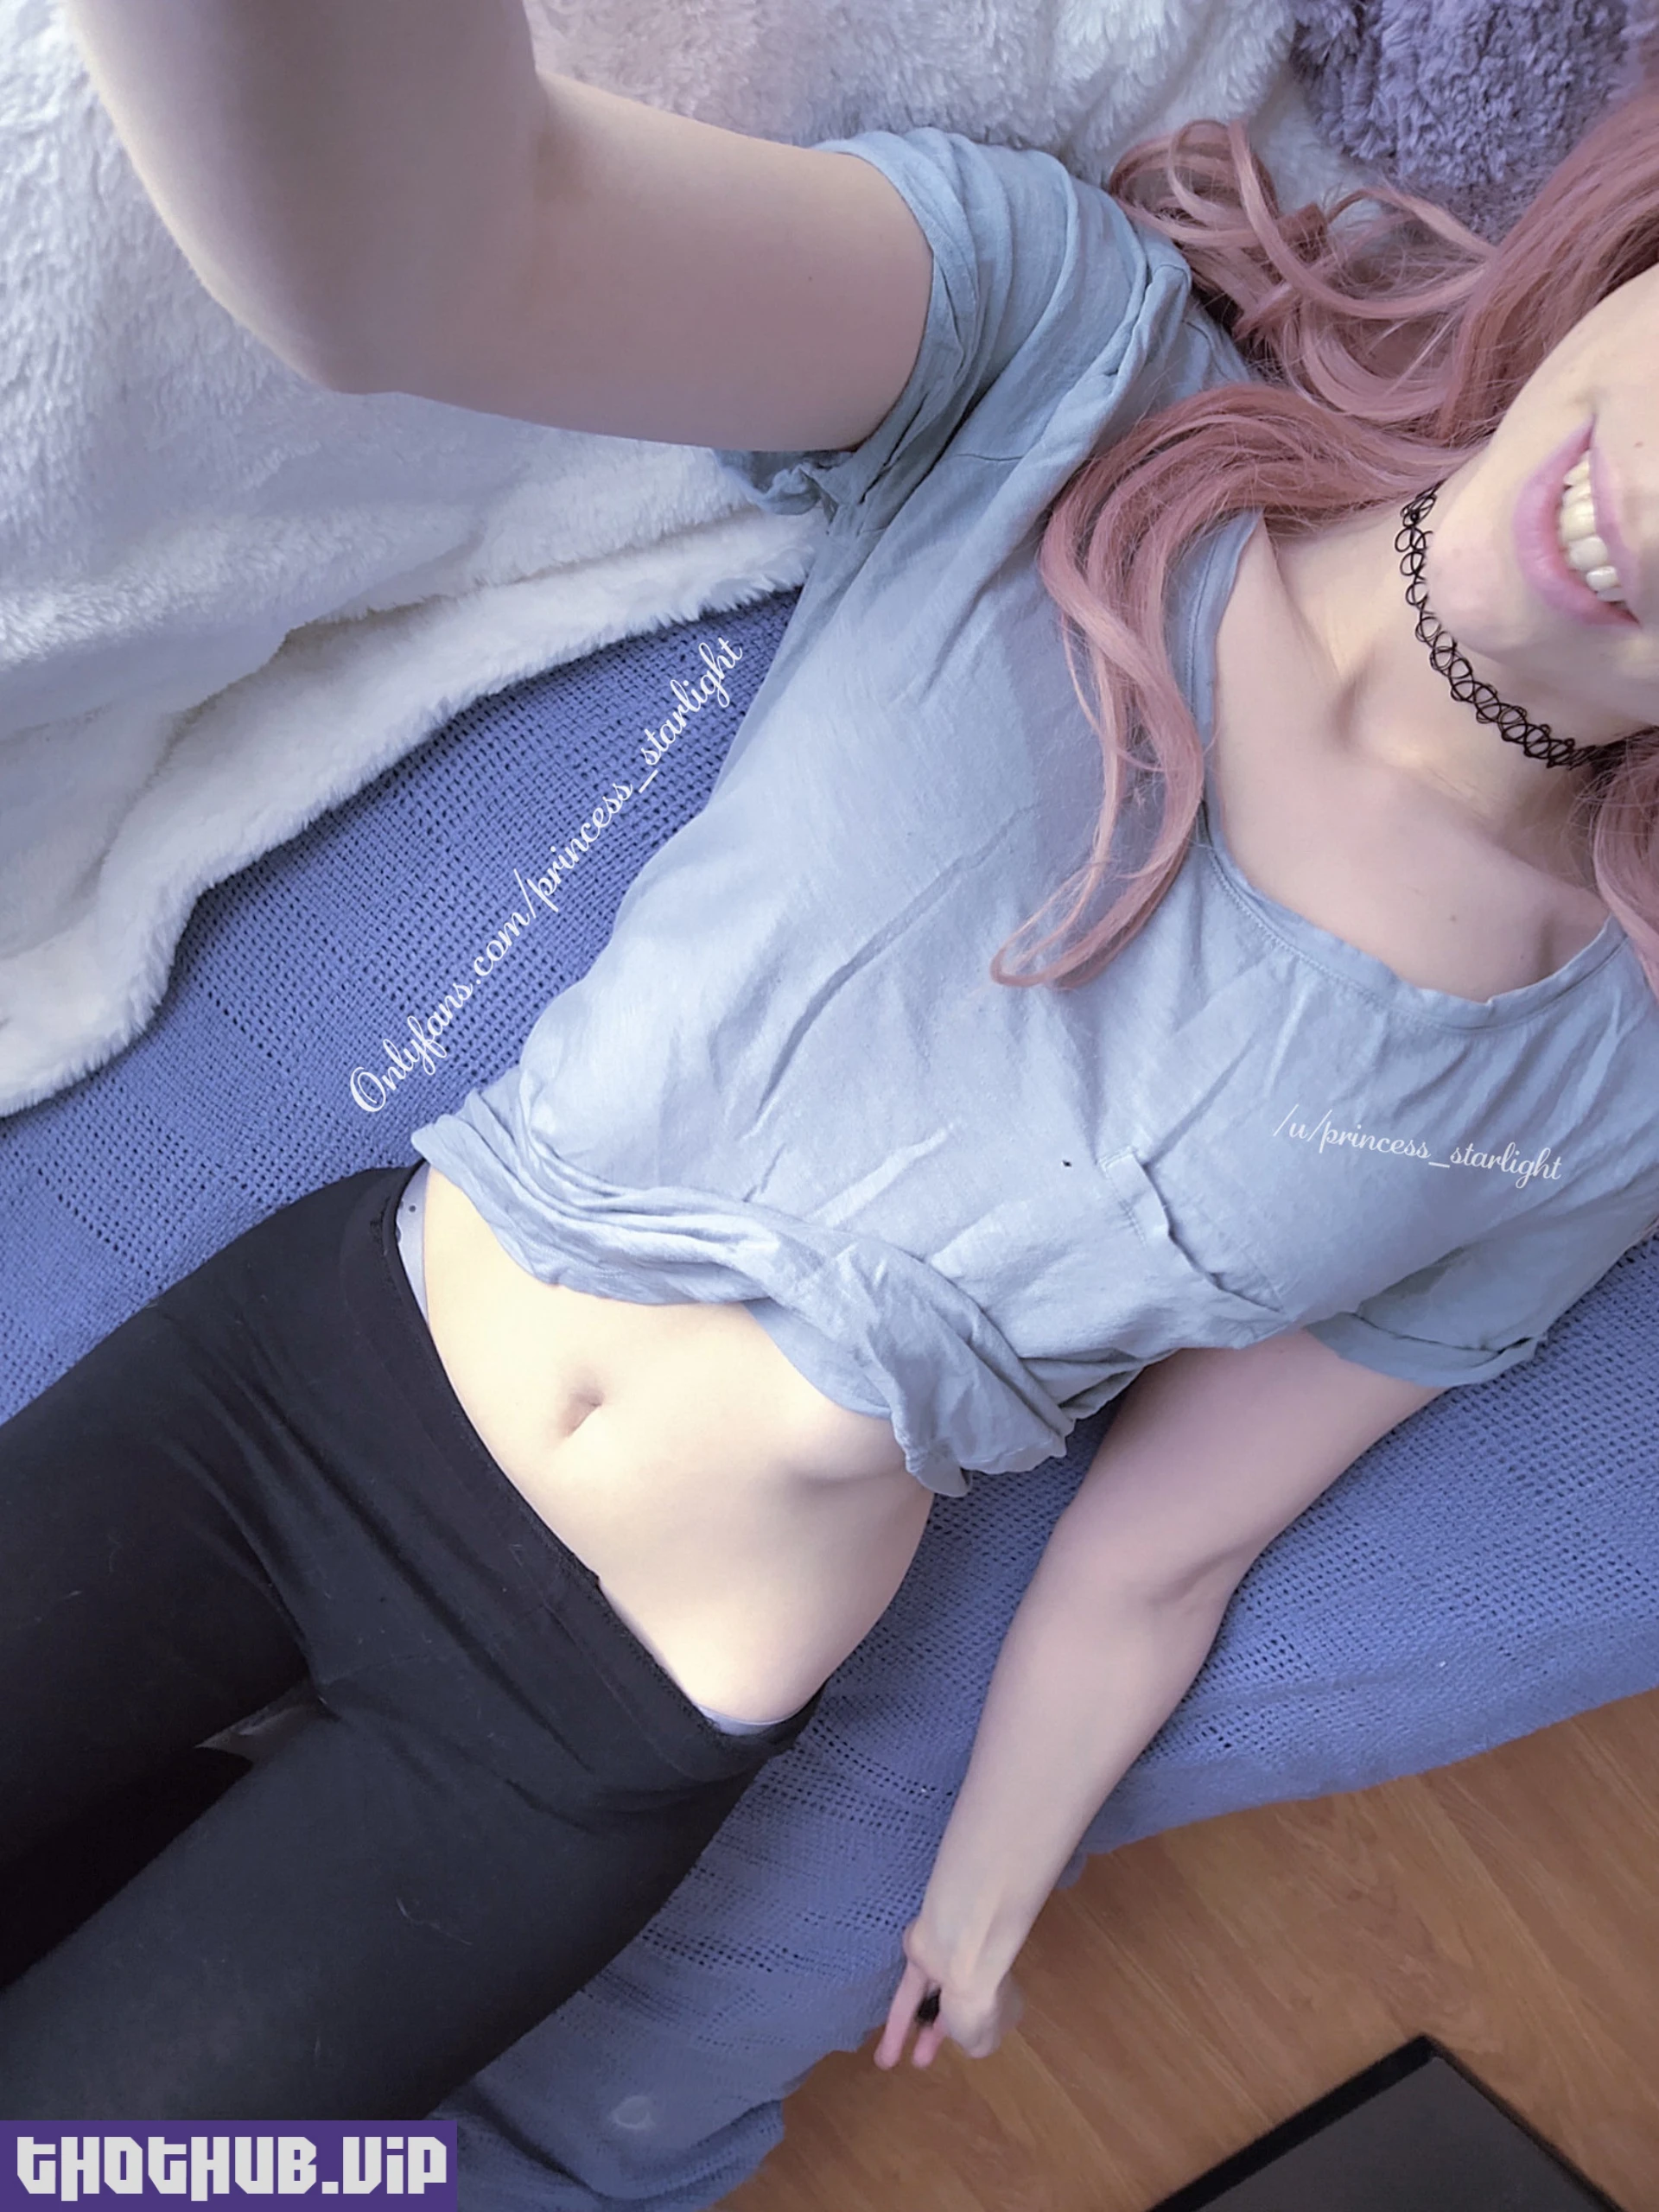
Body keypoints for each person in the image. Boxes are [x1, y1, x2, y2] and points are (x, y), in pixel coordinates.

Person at [3, 0, 1657, 2121]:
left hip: (564, 1746)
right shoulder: (1074, 360)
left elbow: (1168, 1539)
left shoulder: (1596, 1078)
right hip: (293, 1399)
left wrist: (982, 1892)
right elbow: (444, 249)